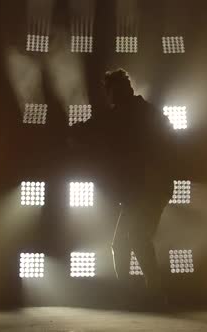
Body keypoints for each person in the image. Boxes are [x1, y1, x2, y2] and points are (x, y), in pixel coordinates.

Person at [68, 69, 177, 299]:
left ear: (119, 90)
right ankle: (131, 294)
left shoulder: (133, 112)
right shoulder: (136, 112)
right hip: (141, 191)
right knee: (121, 243)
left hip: (151, 189)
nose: (111, 97)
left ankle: (152, 294)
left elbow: (98, 125)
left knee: (136, 237)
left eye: (112, 91)